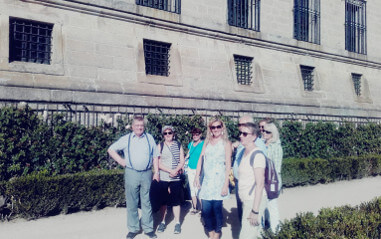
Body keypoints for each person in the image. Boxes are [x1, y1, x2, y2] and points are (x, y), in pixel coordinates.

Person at [107, 115, 159, 239]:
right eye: (137, 126)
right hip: (132, 173)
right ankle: (133, 228)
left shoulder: (149, 138)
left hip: (146, 173)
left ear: (144, 126)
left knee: (146, 201)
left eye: (141, 126)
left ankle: (148, 228)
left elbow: (155, 156)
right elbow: (111, 149)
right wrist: (121, 161)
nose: (139, 128)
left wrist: (156, 172)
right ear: (132, 127)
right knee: (132, 202)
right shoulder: (126, 139)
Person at [194, 118, 232, 239]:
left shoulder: (226, 143)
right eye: (213, 127)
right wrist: (196, 175)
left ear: (222, 128)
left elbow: (228, 165)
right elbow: (200, 158)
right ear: (210, 129)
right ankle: (210, 233)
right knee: (205, 210)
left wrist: (226, 184)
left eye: (218, 127)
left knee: (216, 209)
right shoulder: (207, 142)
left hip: (219, 181)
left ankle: (216, 233)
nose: (216, 129)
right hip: (207, 181)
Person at [232, 115, 267, 223]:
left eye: (243, 127)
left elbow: (260, 182)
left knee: (251, 226)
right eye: (239, 126)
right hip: (242, 186)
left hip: (251, 193)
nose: (240, 131)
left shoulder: (258, 147)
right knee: (243, 219)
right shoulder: (243, 144)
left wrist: (255, 210)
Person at [156, 125, 185, 234]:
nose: (168, 135)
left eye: (170, 133)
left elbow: (182, 160)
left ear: (173, 133)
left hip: (176, 178)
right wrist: (170, 171)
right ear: (163, 135)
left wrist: (176, 170)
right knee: (163, 202)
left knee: (176, 201)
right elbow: (158, 163)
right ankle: (162, 222)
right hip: (164, 177)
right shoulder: (160, 145)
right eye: (165, 133)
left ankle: (177, 223)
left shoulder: (178, 145)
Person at [263, 123, 283, 232]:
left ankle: (276, 231)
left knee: (272, 205)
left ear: (273, 133)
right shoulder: (263, 144)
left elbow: (277, 168)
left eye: (268, 132)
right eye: (264, 131)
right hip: (262, 179)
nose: (264, 133)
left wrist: (275, 183)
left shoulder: (276, 146)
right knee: (263, 205)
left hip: (271, 180)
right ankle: (266, 226)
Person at [186, 127, 204, 214]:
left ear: (200, 135)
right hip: (190, 168)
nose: (195, 136)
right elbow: (188, 155)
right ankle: (194, 207)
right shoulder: (190, 144)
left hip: (199, 169)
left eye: (197, 134)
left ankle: (202, 209)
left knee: (199, 189)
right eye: (193, 134)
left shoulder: (203, 144)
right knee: (192, 188)